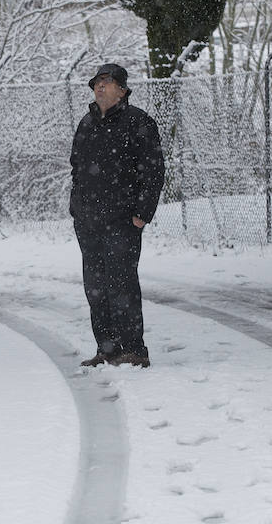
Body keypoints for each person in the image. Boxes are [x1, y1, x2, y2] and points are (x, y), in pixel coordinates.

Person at [69, 63, 165, 368]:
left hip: (122, 220)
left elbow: (153, 172)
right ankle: (107, 348)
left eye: (107, 83)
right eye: (96, 83)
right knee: (95, 287)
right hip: (88, 222)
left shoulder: (138, 122)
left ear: (122, 89)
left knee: (121, 284)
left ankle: (133, 350)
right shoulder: (86, 124)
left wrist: (142, 214)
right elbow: (77, 169)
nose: (100, 88)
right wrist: (77, 209)